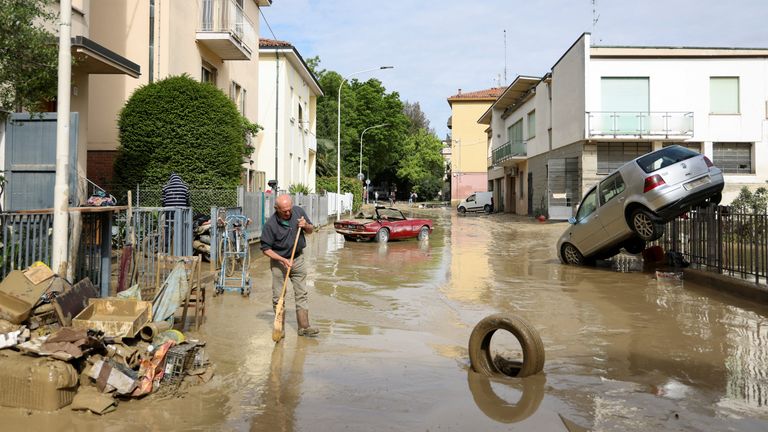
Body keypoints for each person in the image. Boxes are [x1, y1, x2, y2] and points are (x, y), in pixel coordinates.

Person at [260, 194, 319, 337]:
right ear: (277, 209)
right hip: (279, 262)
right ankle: (280, 329)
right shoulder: (270, 225)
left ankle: (304, 327)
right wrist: (282, 260)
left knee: (302, 293)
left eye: (289, 209)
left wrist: (305, 226)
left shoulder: (298, 212)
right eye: (284, 211)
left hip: (297, 259)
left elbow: (311, 230)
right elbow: (266, 249)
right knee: (278, 296)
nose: (288, 213)